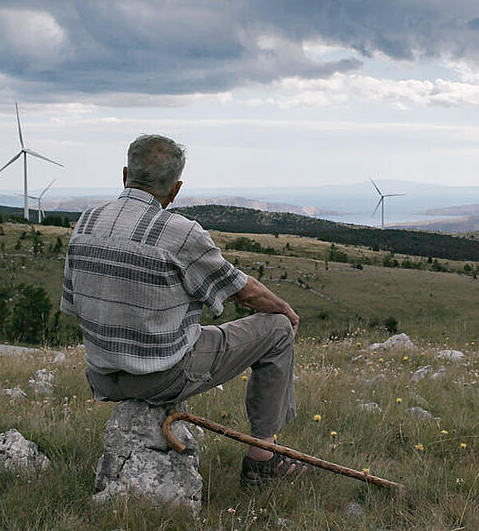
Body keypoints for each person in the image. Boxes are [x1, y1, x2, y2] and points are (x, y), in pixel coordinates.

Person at [61, 134, 304, 485]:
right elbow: (242, 291)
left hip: (102, 376)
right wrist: (285, 310)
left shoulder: (86, 222)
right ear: (175, 190)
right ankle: (263, 459)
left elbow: (72, 304)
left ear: (125, 174)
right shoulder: (181, 233)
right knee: (278, 329)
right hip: (161, 376)